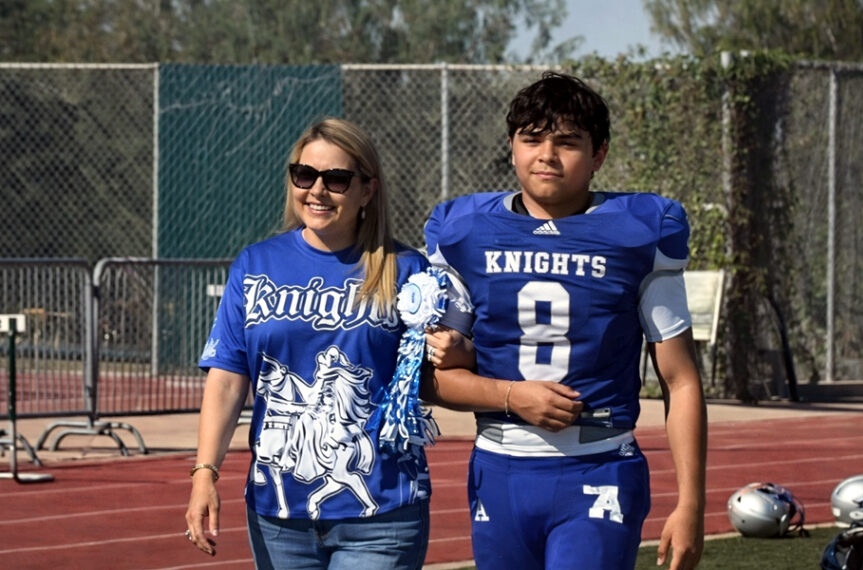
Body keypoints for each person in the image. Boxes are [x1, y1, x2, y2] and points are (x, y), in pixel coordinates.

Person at [421, 72, 708, 570]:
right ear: (512, 148)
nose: (546, 155)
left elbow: (680, 380)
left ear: (598, 155)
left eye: (567, 142)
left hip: (598, 464)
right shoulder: (464, 231)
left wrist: (691, 503)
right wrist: (507, 391)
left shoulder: (639, 231)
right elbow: (433, 378)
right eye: (531, 139)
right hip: (499, 465)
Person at [184, 117, 470, 569]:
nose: (317, 190)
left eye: (336, 179)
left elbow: (446, 366)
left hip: (382, 512)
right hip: (277, 517)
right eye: (304, 174)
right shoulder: (255, 265)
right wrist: (205, 474)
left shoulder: (407, 271)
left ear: (367, 190)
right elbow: (227, 381)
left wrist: (461, 353)